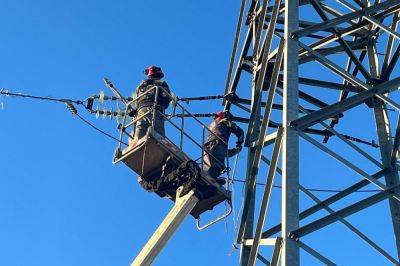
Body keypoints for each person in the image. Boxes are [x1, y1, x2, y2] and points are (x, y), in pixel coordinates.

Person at [131, 65, 171, 144]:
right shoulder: (161, 83)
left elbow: (136, 99)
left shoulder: (141, 86)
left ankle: (137, 143)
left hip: (143, 111)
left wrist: (134, 109)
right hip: (154, 110)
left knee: (140, 130)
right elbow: (167, 98)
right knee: (158, 133)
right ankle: (159, 144)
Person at [203, 111, 244, 184]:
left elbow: (226, 153)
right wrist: (240, 141)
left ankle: (210, 178)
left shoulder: (212, 126)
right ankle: (211, 179)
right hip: (217, 144)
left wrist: (236, 150)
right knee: (218, 164)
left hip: (208, 148)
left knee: (208, 165)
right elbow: (239, 131)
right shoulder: (223, 121)